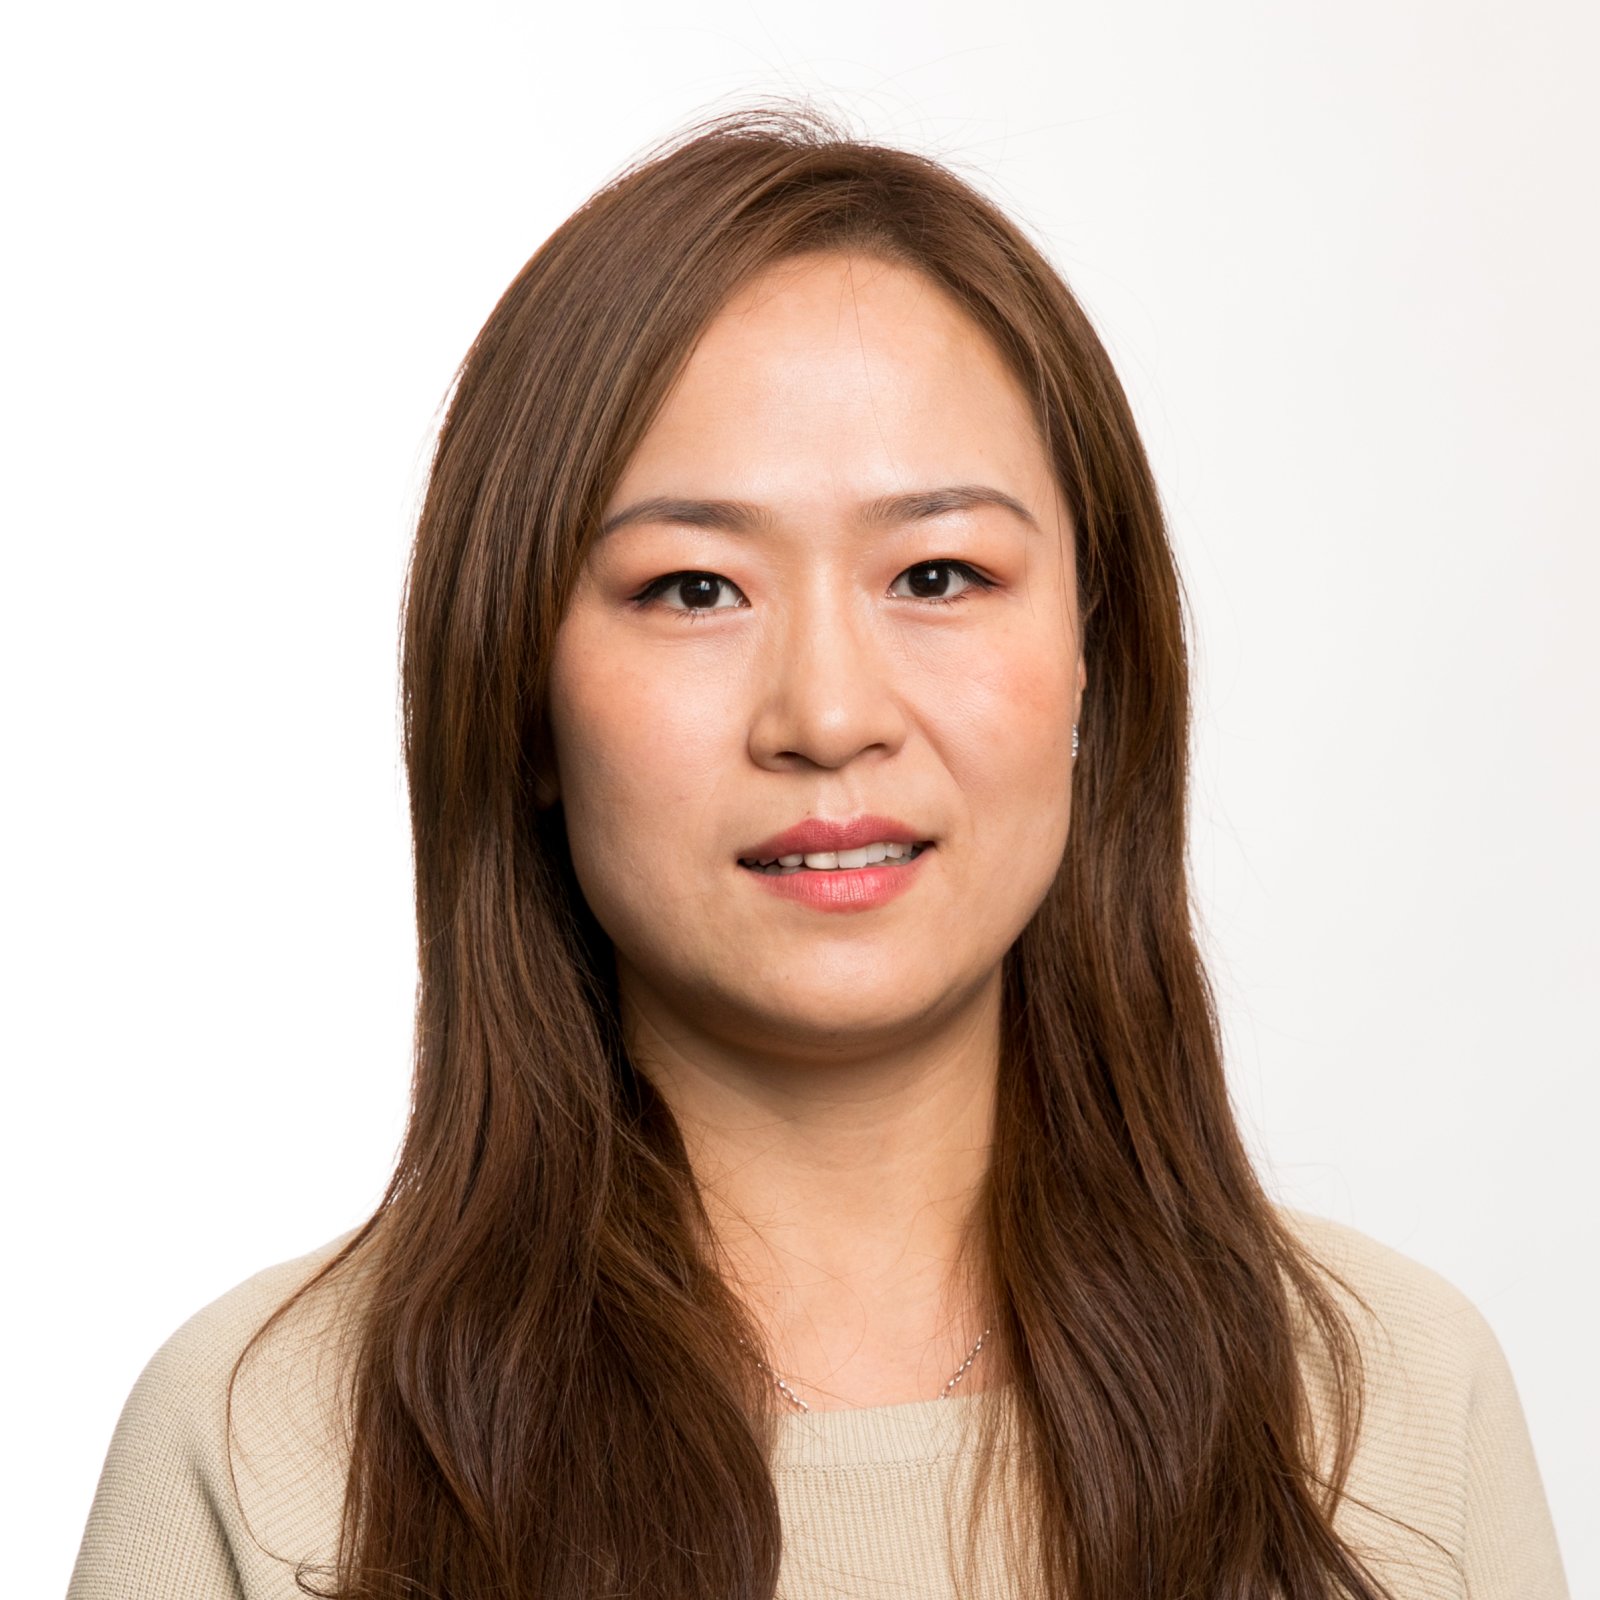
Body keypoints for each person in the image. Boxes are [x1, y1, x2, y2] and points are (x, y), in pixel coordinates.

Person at [66, 101, 1568, 1600]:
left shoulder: (1394, 1409)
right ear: (520, 698)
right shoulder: (267, 1450)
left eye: (940, 573)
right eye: (694, 589)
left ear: (1093, 658)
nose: (830, 716)